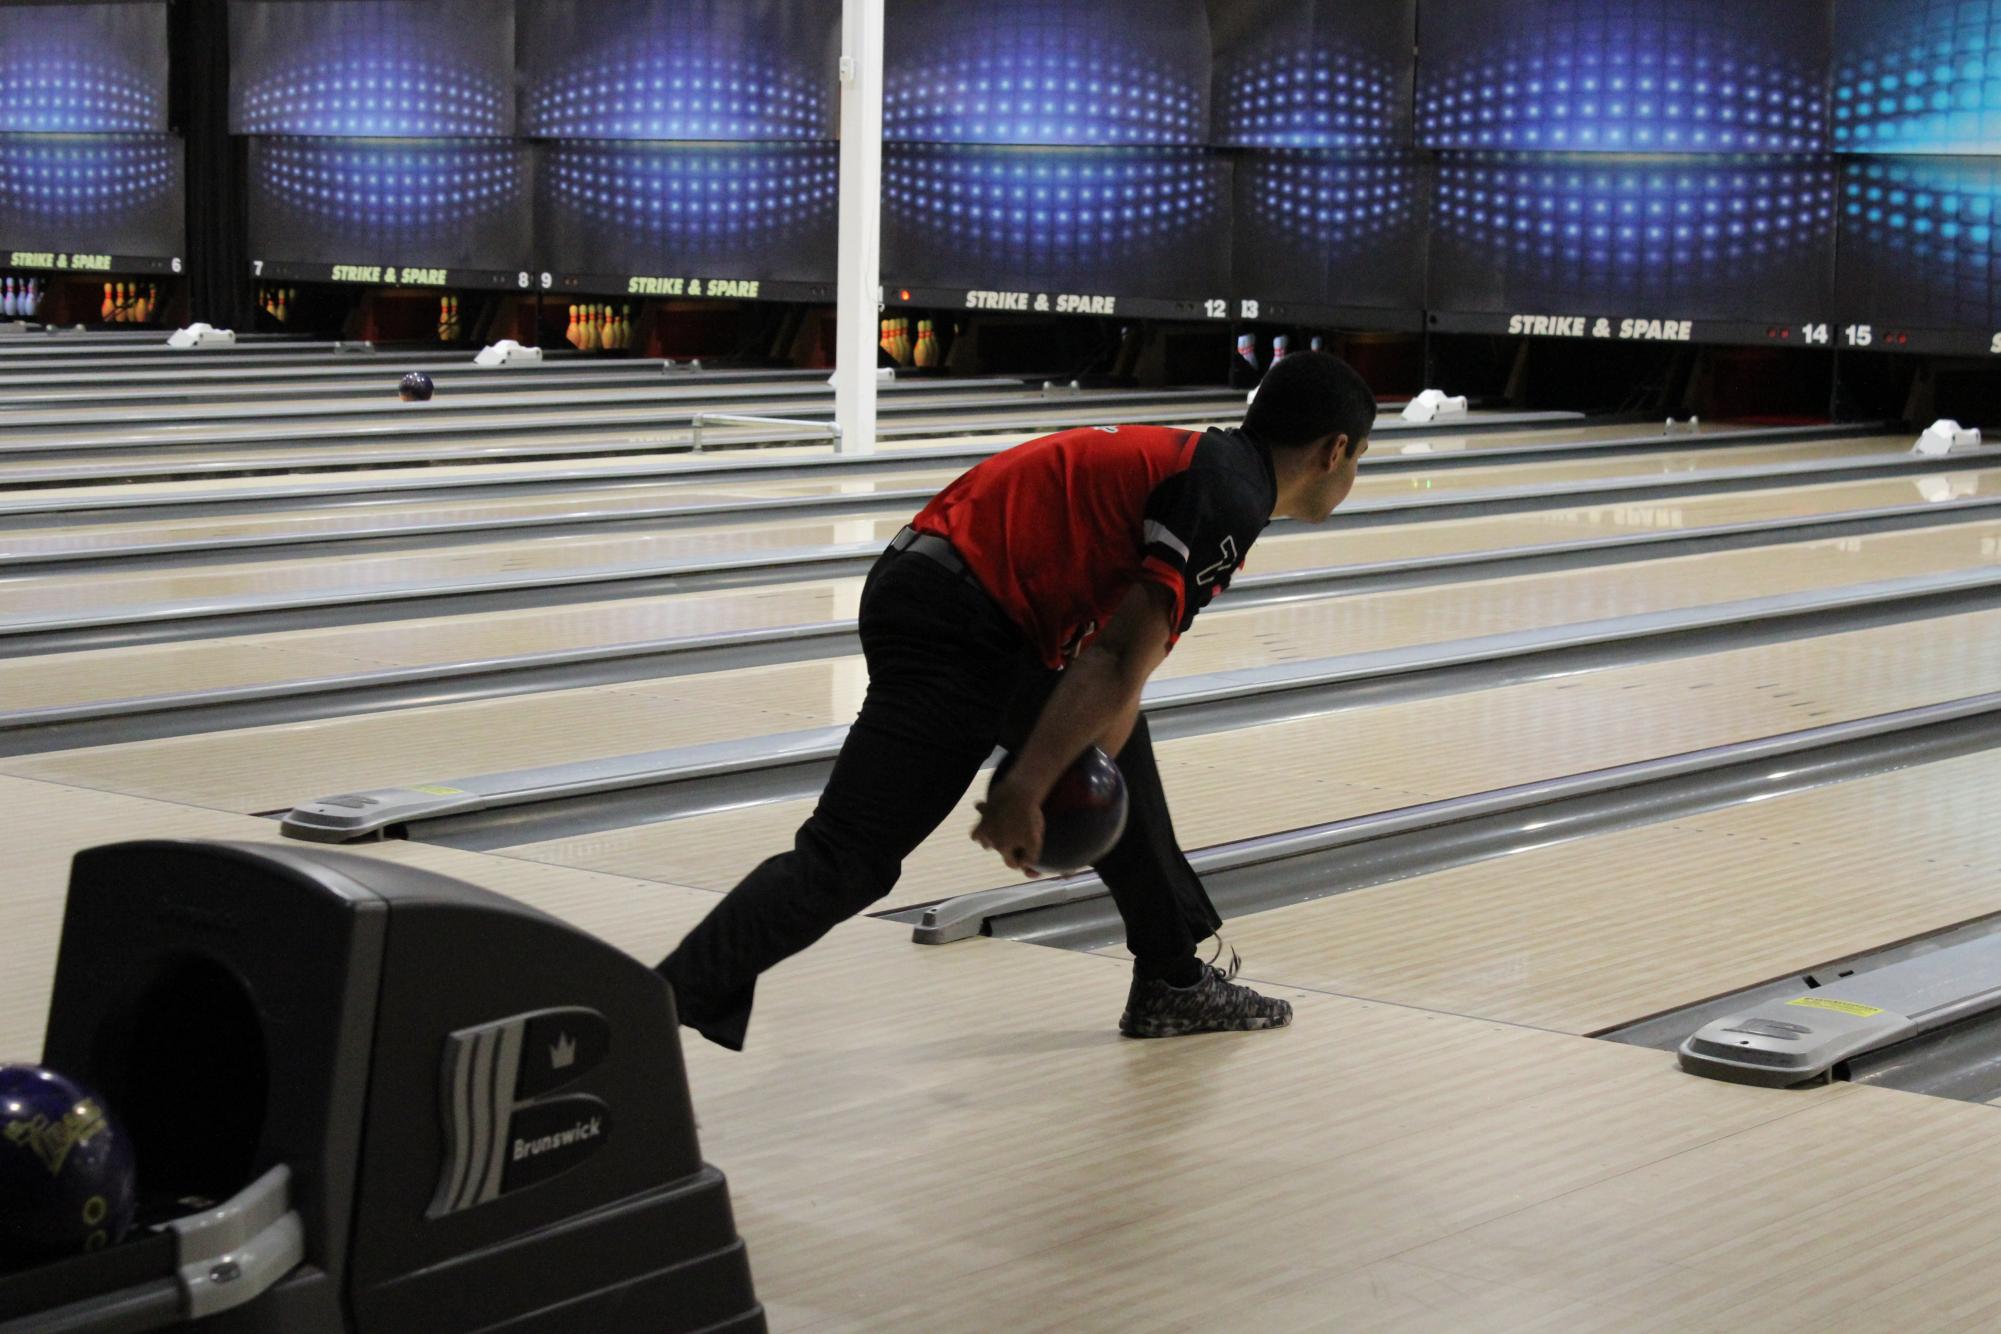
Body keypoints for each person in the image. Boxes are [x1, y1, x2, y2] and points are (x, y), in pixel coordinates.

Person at [658, 351, 1377, 1049]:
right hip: (960, 617)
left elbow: (1120, 672)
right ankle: (645, 1015)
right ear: (1333, 450)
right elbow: (1116, 657)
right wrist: (1028, 787)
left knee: (1122, 752)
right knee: (849, 859)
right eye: (1359, 460)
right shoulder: (1228, 495)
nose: (1352, 475)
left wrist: (1071, 773)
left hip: (953, 595)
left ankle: (1172, 979)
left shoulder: (1211, 465)